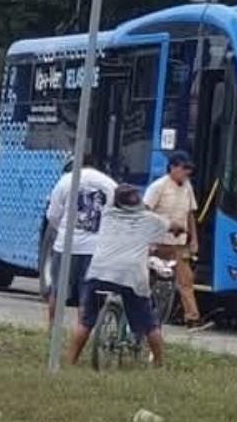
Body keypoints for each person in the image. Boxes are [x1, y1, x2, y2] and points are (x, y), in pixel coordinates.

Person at [67, 183, 184, 366]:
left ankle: (70, 361)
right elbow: (173, 225)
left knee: (85, 322)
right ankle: (160, 364)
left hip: (99, 272)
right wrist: (181, 229)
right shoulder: (150, 220)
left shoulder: (107, 214)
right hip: (131, 276)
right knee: (149, 324)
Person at [44, 153, 116, 325]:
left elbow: (53, 215)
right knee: (87, 295)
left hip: (66, 246)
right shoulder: (110, 184)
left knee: (57, 290)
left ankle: (52, 329)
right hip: (95, 249)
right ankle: (81, 330)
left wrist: (62, 229)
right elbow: (116, 216)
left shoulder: (66, 181)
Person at [143, 150, 201, 328]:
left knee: (186, 279)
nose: (186, 173)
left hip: (179, 244)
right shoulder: (158, 186)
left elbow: (190, 214)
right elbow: (145, 212)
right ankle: (143, 311)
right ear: (173, 168)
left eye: (188, 170)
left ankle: (192, 317)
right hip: (158, 242)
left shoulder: (187, 186)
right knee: (150, 279)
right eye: (183, 169)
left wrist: (193, 239)